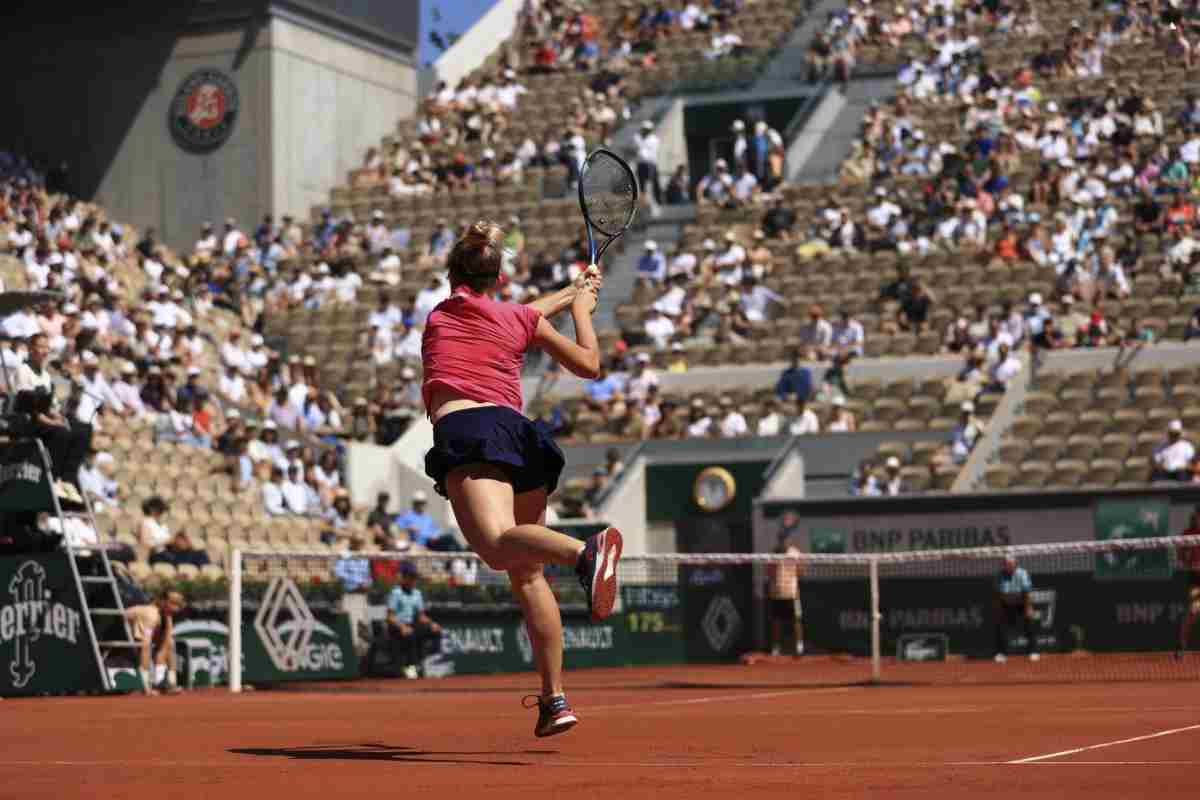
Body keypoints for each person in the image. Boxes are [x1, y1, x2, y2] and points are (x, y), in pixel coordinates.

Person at [420, 221, 622, 738]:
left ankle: (585, 555)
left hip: (469, 428)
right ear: (500, 279)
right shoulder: (519, 320)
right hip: (521, 435)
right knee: (525, 571)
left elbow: (517, 305)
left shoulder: (442, 314)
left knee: (494, 545)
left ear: (454, 275)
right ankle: (554, 699)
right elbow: (589, 363)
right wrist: (579, 305)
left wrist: (570, 295)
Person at [13, 333, 90, 496]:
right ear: (31, 349)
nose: (44, 351)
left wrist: (59, 418)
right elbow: (29, 406)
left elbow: (50, 407)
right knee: (61, 432)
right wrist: (52, 422)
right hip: (27, 421)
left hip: (43, 419)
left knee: (83, 430)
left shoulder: (47, 376)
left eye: (47, 347)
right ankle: (52, 480)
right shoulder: (23, 370)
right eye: (40, 346)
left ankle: (68, 479)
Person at [385, 561, 443, 679]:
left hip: (412, 625)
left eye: (414, 577)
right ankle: (410, 666)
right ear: (404, 578)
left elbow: (421, 616)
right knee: (410, 635)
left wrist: (432, 624)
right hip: (396, 627)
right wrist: (402, 627)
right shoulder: (396, 593)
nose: (413, 581)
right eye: (410, 577)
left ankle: (428, 662)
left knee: (436, 632)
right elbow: (390, 617)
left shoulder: (417, 593)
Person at [123, 590, 186, 695]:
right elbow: (145, 646)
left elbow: (165, 646)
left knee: (170, 643)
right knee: (147, 645)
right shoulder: (151, 614)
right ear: (162, 601)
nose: (177, 608)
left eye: (179, 604)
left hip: (135, 638)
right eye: (174, 603)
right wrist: (146, 687)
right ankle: (144, 684)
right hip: (115, 634)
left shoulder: (165, 616)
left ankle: (165, 683)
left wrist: (168, 622)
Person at [993, 553, 1039, 663]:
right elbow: (998, 594)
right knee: (1001, 627)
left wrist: (1028, 608)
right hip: (1006, 605)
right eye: (1006, 564)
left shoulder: (1022, 573)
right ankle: (1001, 654)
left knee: (1029, 624)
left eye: (1010, 564)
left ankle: (1033, 652)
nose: (1008, 566)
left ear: (1015, 564)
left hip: (1021, 604)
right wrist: (999, 609)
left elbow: (1026, 592)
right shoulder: (999, 575)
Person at [767, 537, 804, 657]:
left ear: (789, 540)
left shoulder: (795, 553)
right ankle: (776, 648)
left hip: (792, 593)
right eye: (782, 540)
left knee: (797, 621)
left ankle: (799, 647)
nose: (784, 542)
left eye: (786, 539)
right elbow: (769, 572)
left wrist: (795, 576)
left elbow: (801, 572)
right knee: (776, 621)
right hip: (777, 593)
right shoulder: (774, 553)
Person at [1176, 508, 1200, 659]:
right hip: (1195, 579)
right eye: (1198, 516)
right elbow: (1180, 554)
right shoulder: (1187, 534)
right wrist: (1189, 564)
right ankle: (1182, 646)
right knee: (1192, 611)